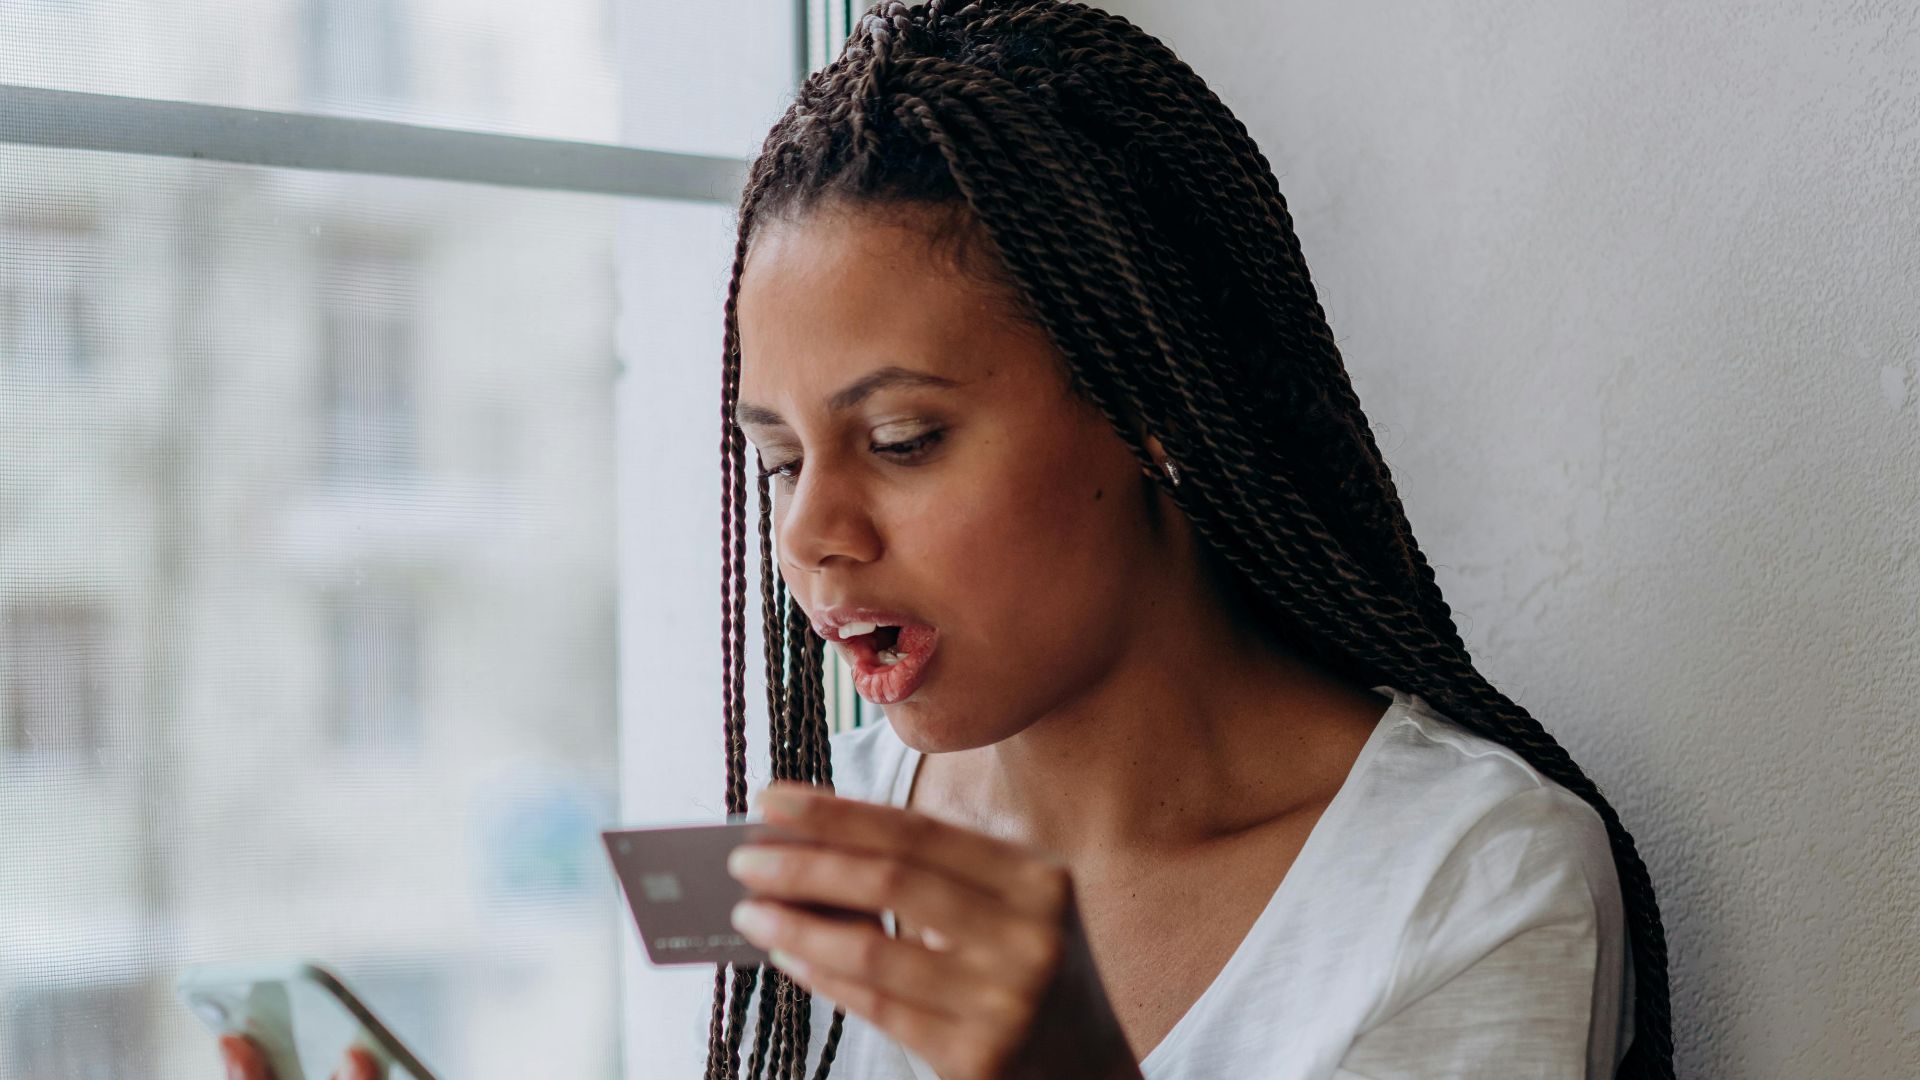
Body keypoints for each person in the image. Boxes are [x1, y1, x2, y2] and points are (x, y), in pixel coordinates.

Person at [225, 2, 1673, 1078]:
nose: (811, 532)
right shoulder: (854, 821)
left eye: (903, 441)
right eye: (777, 460)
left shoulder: (1462, 879)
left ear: (1149, 403)